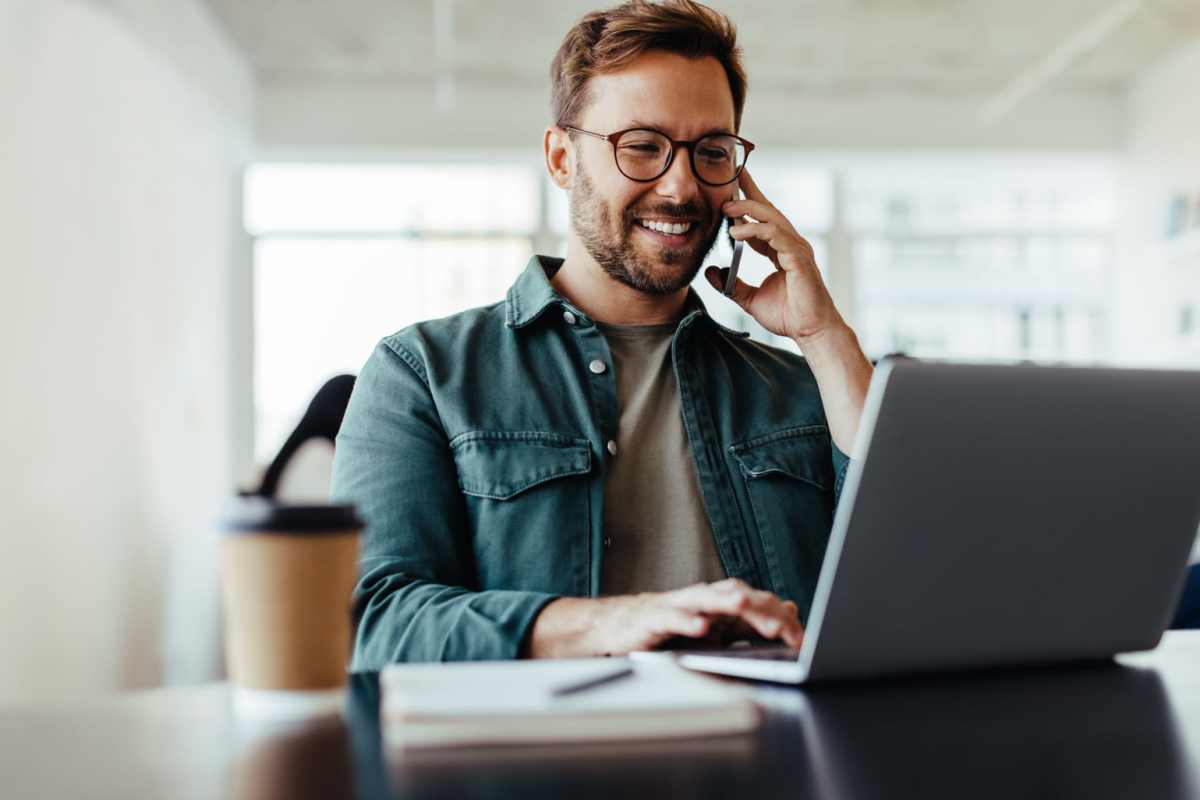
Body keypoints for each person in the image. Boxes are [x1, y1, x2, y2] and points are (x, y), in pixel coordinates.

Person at [331, 0, 873, 666]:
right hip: (542, 764)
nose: (680, 187)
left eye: (711, 152)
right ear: (561, 157)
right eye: (642, 146)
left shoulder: (797, 388)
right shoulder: (424, 374)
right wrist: (613, 623)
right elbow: (371, 621)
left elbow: (909, 579)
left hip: (774, 762)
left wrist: (823, 335)